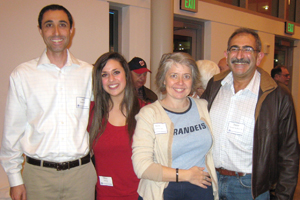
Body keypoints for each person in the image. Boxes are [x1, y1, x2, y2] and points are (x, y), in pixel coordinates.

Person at [0, 4, 97, 200]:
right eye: (48, 25)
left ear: (71, 29)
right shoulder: (23, 75)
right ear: (40, 30)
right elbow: (12, 131)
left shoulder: (89, 73)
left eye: (62, 25)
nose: (56, 32)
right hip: (38, 176)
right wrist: (14, 178)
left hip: (81, 175)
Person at [201, 28, 299, 199]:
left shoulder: (277, 95)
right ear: (227, 53)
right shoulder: (215, 85)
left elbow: (289, 153)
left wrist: (283, 196)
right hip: (210, 182)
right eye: (234, 49)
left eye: (247, 49)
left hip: (249, 188)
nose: (240, 55)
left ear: (259, 57)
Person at [132, 52, 218, 200]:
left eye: (186, 76)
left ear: (193, 81)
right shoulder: (149, 114)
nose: (180, 82)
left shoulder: (203, 107)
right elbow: (141, 166)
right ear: (163, 79)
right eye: (173, 75)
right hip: (163, 190)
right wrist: (186, 175)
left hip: (201, 189)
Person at [88, 52, 146, 200]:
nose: (111, 79)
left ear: (126, 75)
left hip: (141, 195)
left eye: (116, 72)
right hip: (105, 195)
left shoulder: (146, 111)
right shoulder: (91, 113)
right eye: (104, 75)